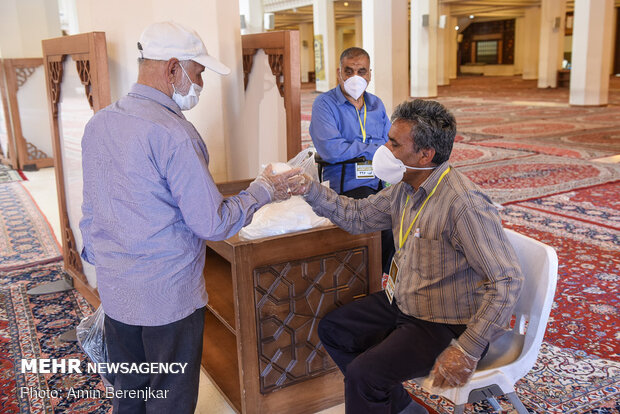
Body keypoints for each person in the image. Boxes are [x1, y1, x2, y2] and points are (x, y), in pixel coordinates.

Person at [79, 21, 300, 414]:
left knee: (129, 389)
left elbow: (91, 210)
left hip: (116, 292)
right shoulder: (173, 134)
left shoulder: (101, 122)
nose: (200, 84)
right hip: (168, 297)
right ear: (172, 68)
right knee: (170, 396)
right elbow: (211, 223)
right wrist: (262, 189)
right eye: (198, 73)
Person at [294, 99, 524, 414]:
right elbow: (358, 216)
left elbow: (507, 280)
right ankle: (401, 407)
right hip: (405, 301)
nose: (384, 149)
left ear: (425, 154)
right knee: (335, 329)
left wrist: (468, 349)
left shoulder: (463, 205)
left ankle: (381, 397)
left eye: (394, 143)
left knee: (364, 376)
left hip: (443, 321)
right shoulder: (406, 186)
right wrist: (308, 189)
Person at [309, 46, 394, 271]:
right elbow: (332, 151)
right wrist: (373, 149)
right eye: (349, 71)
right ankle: (376, 277)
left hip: (381, 180)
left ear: (370, 74)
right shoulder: (325, 104)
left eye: (362, 71)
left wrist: (362, 149)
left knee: (412, 211)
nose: (355, 78)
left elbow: (391, 146)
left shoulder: (376, 104)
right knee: (382, 218)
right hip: (346, 184)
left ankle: (392, 278)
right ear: (339, 73)